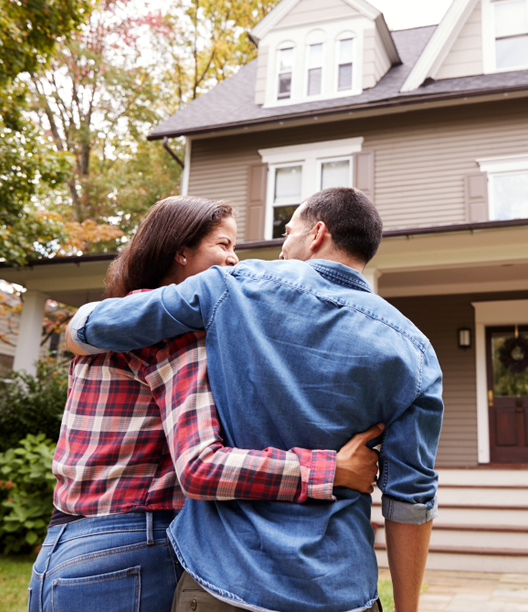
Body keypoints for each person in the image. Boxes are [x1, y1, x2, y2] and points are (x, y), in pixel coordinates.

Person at [67, 187, 443, 612]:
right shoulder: (415, 350)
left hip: (225, 581)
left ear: (316, 234)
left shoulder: (231, 287)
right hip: (339, 588)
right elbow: (411, 498)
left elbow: (94, 326)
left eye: (287, 233)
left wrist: (76, 329)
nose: (281, 250)